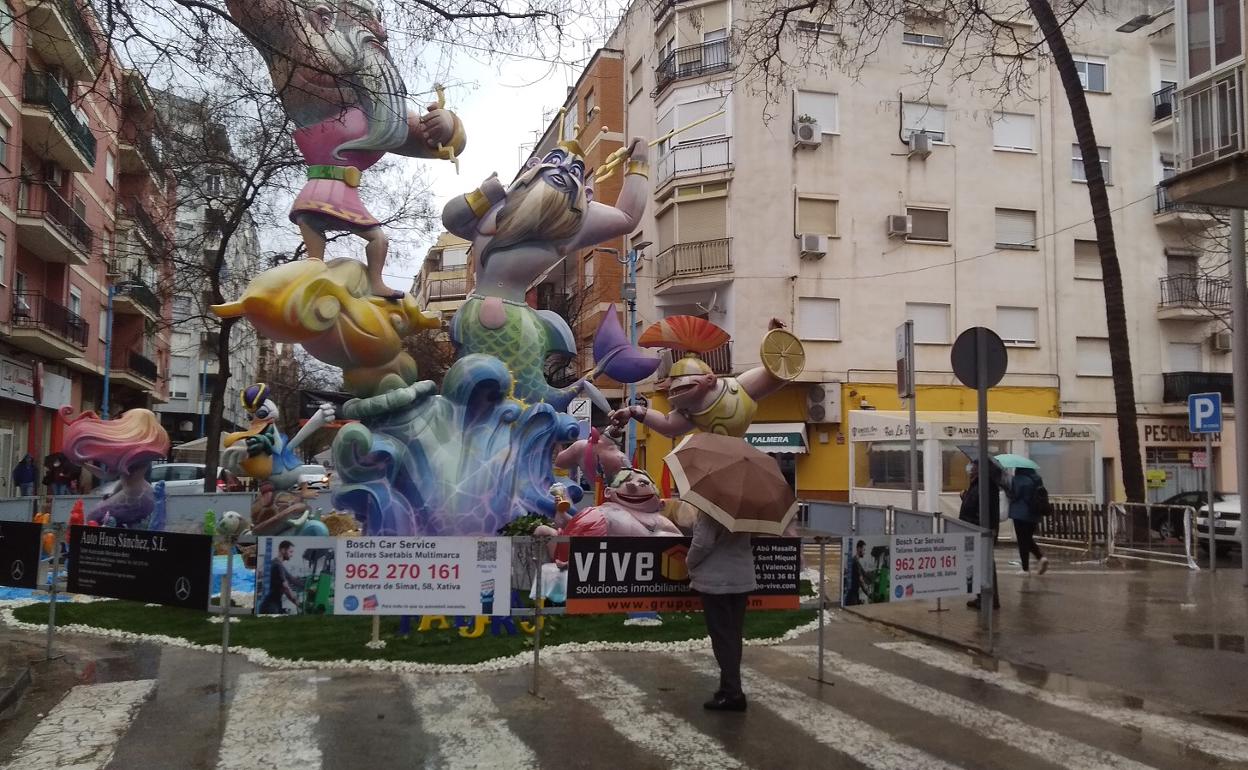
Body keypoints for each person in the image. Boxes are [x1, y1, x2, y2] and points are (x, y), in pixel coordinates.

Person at [686, 511, 757, 712]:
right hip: (741, 578)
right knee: (733, 635)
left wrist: (689, 563)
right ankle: (729, 687)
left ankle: (733, 692)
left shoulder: (711, 508)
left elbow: (702, 543)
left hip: (716, 580)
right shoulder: (746, 508)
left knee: (722, 637)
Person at [959, 459, 1004, 610]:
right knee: (978, 563)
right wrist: (965, 498)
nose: (970, 468)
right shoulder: (978, 484)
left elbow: (985, 508)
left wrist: (989, 529)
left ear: (980, 469)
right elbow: (975, 504)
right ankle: (982, 597)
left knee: (985, 564)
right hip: (975, 527)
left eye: (974, 465)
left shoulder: (985, 485)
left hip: (980, 530)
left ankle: (989, 598)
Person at [1008, 467, 1049, 575]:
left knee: (1022, 541)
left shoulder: (1018, 479)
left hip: (1020, 514)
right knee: (1027, 539)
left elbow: (1014, 495)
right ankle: (1041, 558)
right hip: (1034, 514)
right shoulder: (1037, 479)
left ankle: (1025, 569)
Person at [259, 540, 301, 614]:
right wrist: (298, 604)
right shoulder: (278, 565)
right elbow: (285, 587)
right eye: (290, 552)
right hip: (271, 606)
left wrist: (307, 586)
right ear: (283, 550)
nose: (291, 555)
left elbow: (291, 579)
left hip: (269, 604)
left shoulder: (275, 563)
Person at [845, 539, 871, 606]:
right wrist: (869, 594)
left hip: (852, 594)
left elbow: (864, 573)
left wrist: (870, 578)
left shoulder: (855, 561)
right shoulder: (855, 562)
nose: (864, 552)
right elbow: (861, 580)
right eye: (864, 550)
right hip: (852, 596)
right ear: (859, 548)